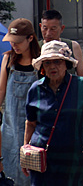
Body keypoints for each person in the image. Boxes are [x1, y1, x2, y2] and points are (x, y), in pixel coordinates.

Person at [24, 41, 83, 185]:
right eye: (47, 63)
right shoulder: (35, 89)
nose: (52, 67)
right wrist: (26, 150)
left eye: (57, 62)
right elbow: (30, 123)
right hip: (43, 161)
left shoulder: (81, 85)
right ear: (43, 67)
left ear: (66, 64)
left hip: (75, 159)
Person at [0, 18, 41, 185]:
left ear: (30, 38)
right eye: (12, 41)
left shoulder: (40, 62)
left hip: (34, 129)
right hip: (9, 128)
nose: (14, 45)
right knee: (10, 172)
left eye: (17, 41)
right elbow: (1, 90)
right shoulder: (8, 59)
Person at [39, 10, 83, 78]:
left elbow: (82, 74)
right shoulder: (35, 47)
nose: (48, 33)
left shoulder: (72, 46)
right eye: (45, 28)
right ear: (40, 26)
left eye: (53, 29)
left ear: (62, 28)